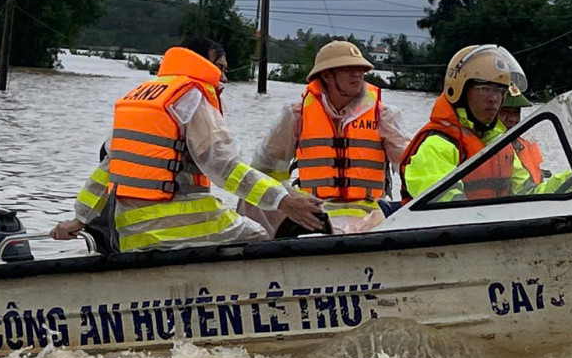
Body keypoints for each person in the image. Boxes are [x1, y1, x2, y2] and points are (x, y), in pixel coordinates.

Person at [53, 37, 327, 252]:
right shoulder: (191, 97)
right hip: (177, 226)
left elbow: (107, 167)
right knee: (255, 234)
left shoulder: (141, 96)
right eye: (221, 68)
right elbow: (226, 169)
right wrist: (284, 201)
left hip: (130, 233)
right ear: (203, 62)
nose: (225, 79)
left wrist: (80, 219)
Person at [254, 40, 411, 234]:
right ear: (327, 75)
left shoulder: (384, 115)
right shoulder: (297, 115)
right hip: (315, 215)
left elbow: (410, 167)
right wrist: (290, 201)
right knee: (252, 198)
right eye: (348, 68)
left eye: (361, 68)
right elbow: (264, 170)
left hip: (370, 215)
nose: (358, 74)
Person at [399, 44, 531, 201]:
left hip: (493, 223)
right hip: (458, 225)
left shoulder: (499, 143)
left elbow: (529, 193)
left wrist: (567, 180)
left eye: (500, 91)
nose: (494, 99)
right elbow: (449, 210)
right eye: (485, 89)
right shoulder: (436, 146)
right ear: (460, 91)